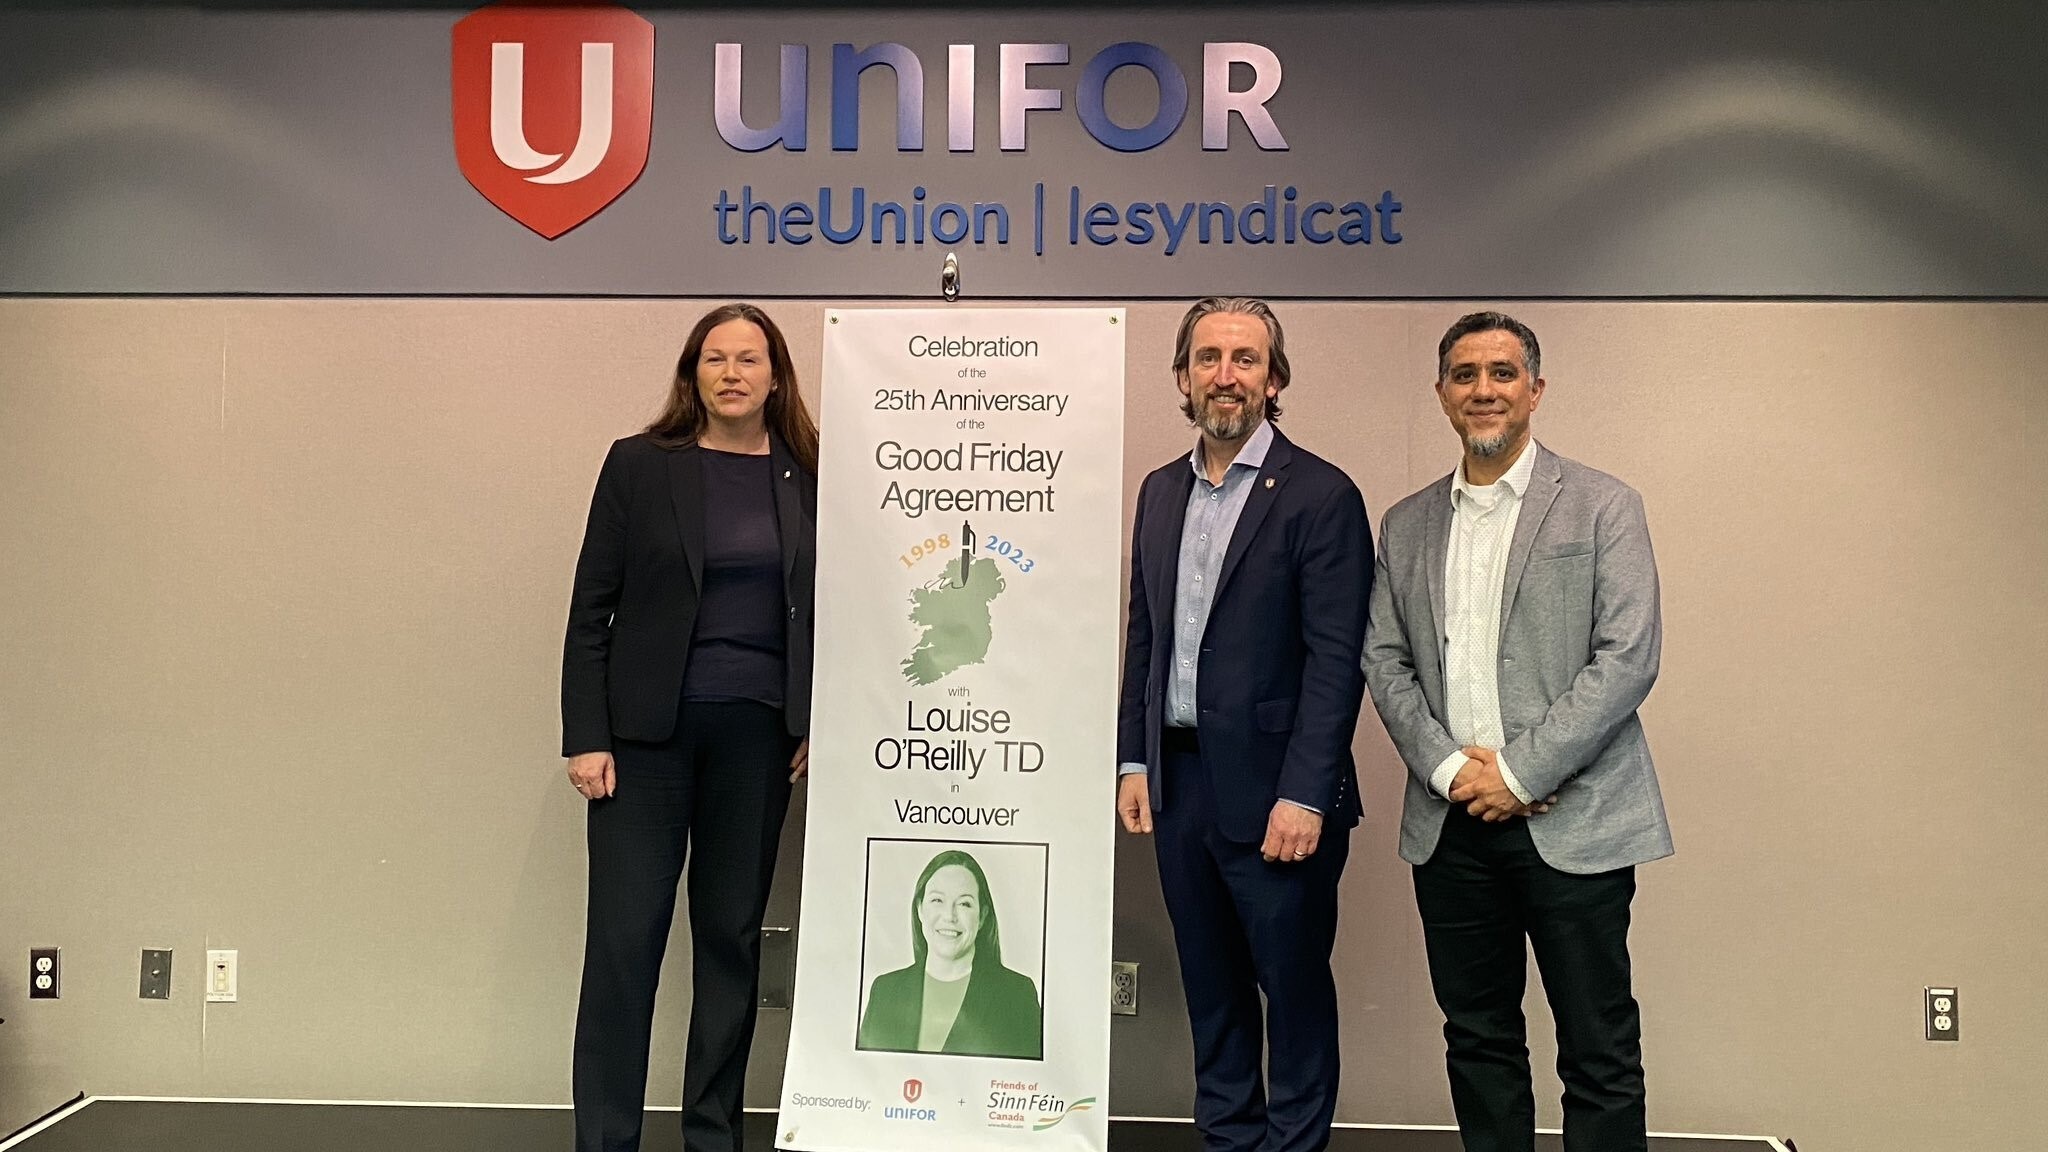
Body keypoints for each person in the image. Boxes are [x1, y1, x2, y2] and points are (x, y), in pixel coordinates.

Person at [1363, 311, 1671, 1152]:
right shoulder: (1405, 524)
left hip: (1574, 825)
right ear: (1441, 395)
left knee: (1599, 1053)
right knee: (1480, 1043)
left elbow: (1628, 656)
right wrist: (1449, 770)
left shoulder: (1606, 506)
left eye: (1502, 373)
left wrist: (1520, 773)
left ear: (1536, 389)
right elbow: (1383, 662)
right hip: (1450, 830)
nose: (1484, 390)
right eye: (1465, 375)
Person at [561, 302, 819, 1152]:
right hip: (643, 744)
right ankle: (606, 1138)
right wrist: (585, 733)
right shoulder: (640, 465)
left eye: (750, 359)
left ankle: (713, 1134)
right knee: (626, 944)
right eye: (716, 358)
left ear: (776, 376)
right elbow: (592, 606)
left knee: (730, 942)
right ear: (692, 374)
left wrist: (816, 715)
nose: (733, 373)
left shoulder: (809, 475)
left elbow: (834, 610)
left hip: (758, 740)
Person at [1115, 297, 1372, 1152]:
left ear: (1275, 377)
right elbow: (1145, 639)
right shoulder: (1158, 492)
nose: (1227, 375)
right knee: (1212, 993)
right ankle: (1228, 1140)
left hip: (1278, 801)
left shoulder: (1322, 494)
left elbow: (1337, 663)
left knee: (1292, 995)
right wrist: (1132, 762)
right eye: (1210, 358)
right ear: (1183, 377)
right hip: (1181, 787)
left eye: (1247, 358)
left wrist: (1307, 794)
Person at [855, 848, 1043, 1059]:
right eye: (937, 900)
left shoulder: (1017, 995)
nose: (949, 916)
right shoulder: (885, 991)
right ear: (920, 909)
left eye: (964, 903)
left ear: (982, 917)